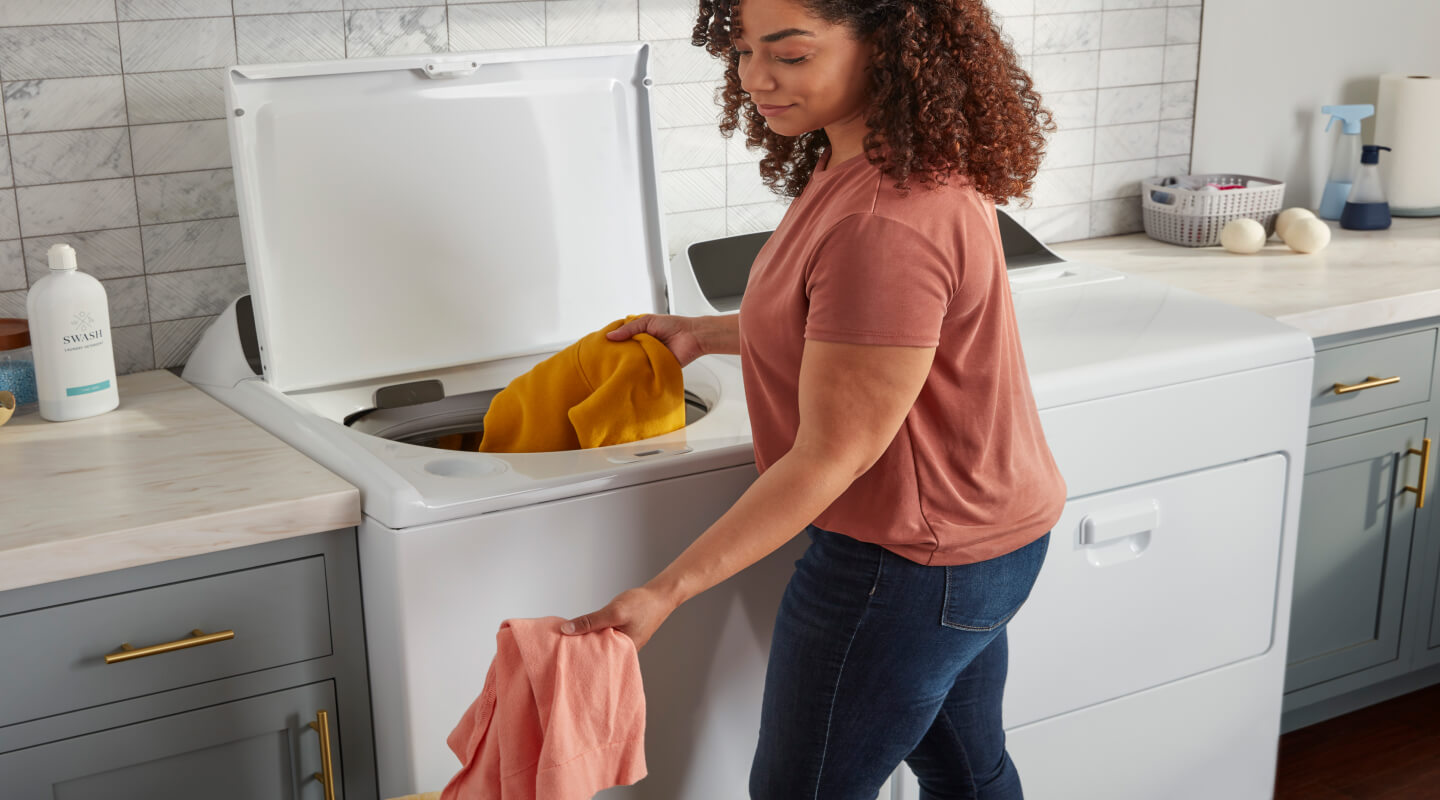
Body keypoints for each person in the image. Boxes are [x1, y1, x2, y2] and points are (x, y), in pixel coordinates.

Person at [562, 0, 1066, 797]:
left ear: (888, 47)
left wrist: (666, 591)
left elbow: (834, 454)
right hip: (980, 540)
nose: (756, 78)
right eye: (743, 51)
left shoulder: (883, 221)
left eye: (790, 55)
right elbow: (845, 329)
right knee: (971, 777)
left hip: (908, 566)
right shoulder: (876, 161)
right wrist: (702, 333)